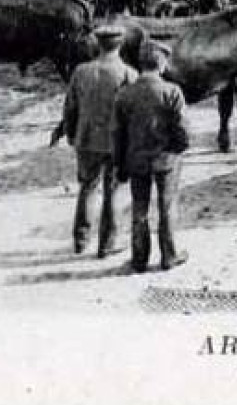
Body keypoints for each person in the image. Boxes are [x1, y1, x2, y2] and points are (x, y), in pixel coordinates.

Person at [113, 41, 190, 273]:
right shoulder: (172, 92)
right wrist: (177, 149)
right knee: (167, 207)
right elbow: (183, 131)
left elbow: (118, 133)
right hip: (166, 160)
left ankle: (139, 259)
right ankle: (169, 256)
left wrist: (120, 164)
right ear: (161, 64)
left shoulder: (125, 94)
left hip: (136, 160)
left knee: (139, 209)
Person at [61, 23, 137, 257]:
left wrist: (71, 133)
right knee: (112, 191)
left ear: (97, 43)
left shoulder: (81, 71)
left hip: (86, 139)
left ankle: (81, 241)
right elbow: (131, 114)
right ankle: (107, 244)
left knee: (87, 188)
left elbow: (69, 108)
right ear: (120, 44)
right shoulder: (128, 74)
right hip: (114, 142)